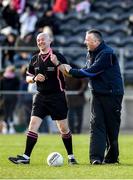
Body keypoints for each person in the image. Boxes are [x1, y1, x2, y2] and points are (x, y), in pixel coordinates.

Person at [51, 29, 124, 165]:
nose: (84, 42)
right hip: (97, 94)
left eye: (87, 39)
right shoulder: (90, 53)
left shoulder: (107, 54)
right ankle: (96, 158)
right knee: (96, 124)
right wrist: (64, 69)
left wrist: (70, 70)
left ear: (96, 41)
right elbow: (86, 69)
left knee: (111, 127)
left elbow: (91, 72)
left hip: (112, 94)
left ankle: (112, 157)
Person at [8, 32, 77, 165]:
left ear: (50, 40)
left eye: (43, 40)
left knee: (63, 128)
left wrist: (57, 63)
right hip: (40, 96)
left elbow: (68, 73)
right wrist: (34, 78)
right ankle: (26, 157)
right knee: (33, 125)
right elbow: (27, 77)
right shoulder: (34, 59)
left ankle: (71, 156)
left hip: (57, 96)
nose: (40, 42)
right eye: (38, 40)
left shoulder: (58, 56)